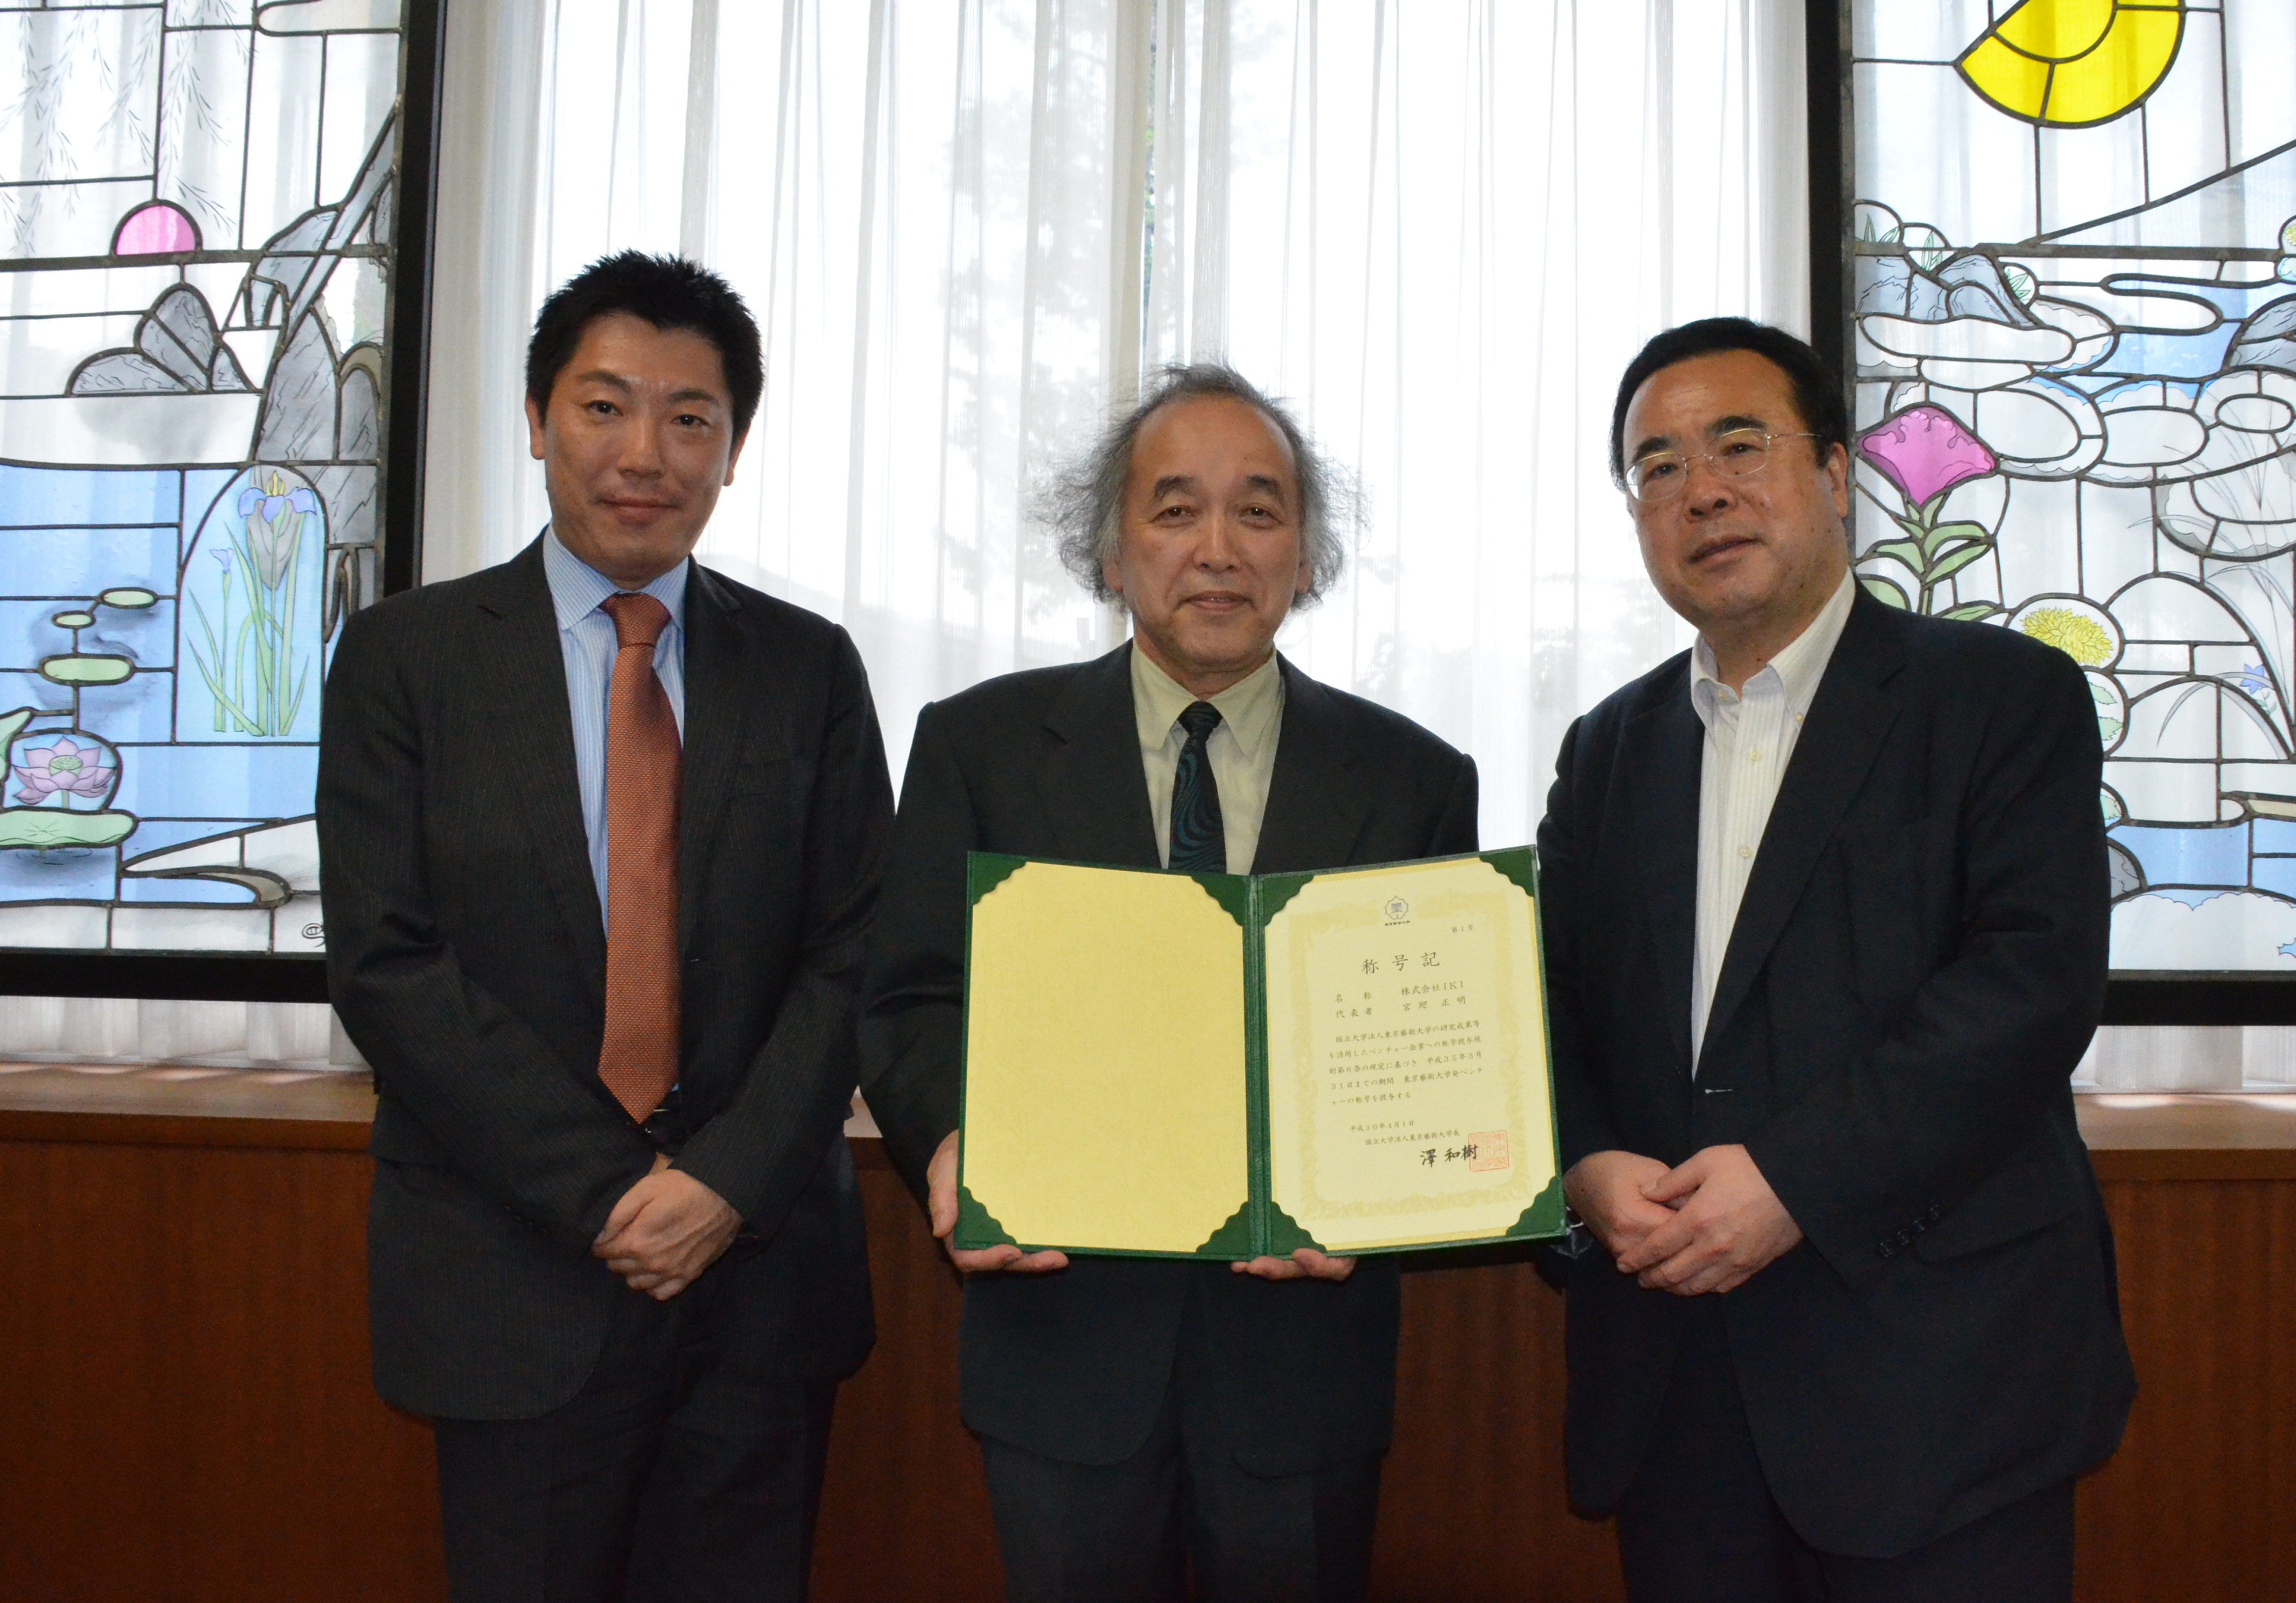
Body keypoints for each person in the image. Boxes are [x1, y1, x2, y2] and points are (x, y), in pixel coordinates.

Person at [319, 251, 891, 1603]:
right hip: (508, 1276)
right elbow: (388, 964)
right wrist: (615, 1195)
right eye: (605, 406)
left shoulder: (808, 668)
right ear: (534, 421)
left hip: (759, 1286)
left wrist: (721, 1187)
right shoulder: (409, 658)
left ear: (734, 450)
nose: (647, 453)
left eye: (692, 417)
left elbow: (859, 947)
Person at [858, 364, 1477, 1602]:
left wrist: (1373, 1201)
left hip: (1303, 1361)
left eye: (1259, 511)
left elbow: (1436, 1044)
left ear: (1306, 556)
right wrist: (949, 1143)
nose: (1217, 549)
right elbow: (912, 996)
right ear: (1107, 551)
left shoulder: (1413, 775)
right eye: (1173, 508)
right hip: (1062, 1347)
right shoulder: (978, 745)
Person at [1540, 318, 2135, 1602]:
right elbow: (1548, 1010)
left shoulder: (2000, 698)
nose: (1700, 489)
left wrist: (1799, 1181)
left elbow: (2032, 986)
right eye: (1656, 468)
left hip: (1938, 1386)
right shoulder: (1607, 751)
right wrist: (1586, 1165)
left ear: (1835, 473)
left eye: (1737, 444)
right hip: (1675, 1390)